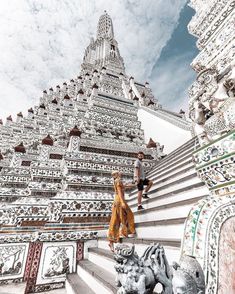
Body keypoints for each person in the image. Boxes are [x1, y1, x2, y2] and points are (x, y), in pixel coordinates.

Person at [108, 170, 136, 252]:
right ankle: (123, 232)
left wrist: (134, 185)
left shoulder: (117, 181)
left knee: (115, 220)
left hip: (116, 201)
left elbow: (123, 187)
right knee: (128, 215)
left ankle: (112, 240)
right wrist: (123, 202)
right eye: (119, 172)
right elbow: (120, 192)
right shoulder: (118, 181)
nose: (121, 172)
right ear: (116, 174)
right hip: (119, 201)